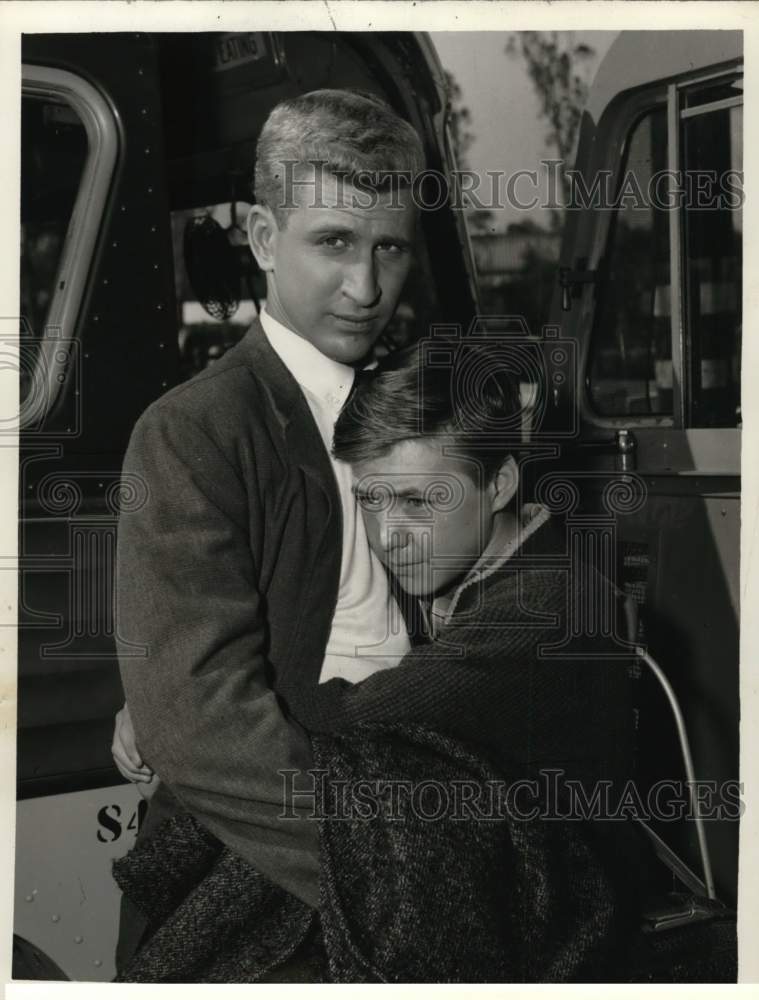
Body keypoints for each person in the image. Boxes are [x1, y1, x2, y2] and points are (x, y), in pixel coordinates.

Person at [113, 336, 656, 982]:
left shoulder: (549, 605)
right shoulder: (455, 566)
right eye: (370, 500)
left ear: (501, 482)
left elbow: (348, 718)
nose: (388, 535)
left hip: (558, 927)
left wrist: (174, 696)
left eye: (419, 502)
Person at [112, 88, 425, 974]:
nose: (365, 289)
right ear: (260, 239)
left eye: (388, 247)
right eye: (332, 243)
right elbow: (200, 721)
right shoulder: (191, 431)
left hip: (427, 791)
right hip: (281, 861)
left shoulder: (429, 409)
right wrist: (391, 870)